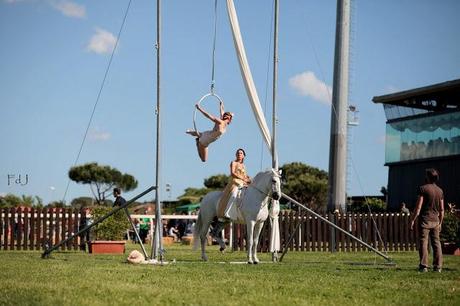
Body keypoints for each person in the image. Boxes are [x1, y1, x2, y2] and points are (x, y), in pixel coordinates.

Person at [410, 168, 444, 273]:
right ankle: (438, 267)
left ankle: (424, 266)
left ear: (428, 177)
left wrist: (412, 219)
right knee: (436, 243)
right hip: (435, 221)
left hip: (425, 220)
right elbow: (442, 209)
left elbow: (418, 207)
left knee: (423, 242)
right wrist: (440, 222)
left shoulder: (423, 189)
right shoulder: (440, 190)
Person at [212, 148, 251, 237]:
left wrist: (248, 178)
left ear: (244, 155)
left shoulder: (244, 166)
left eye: (241, 153)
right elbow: (233, 173)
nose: (239, 154)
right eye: (238, 153)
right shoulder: (233, 163)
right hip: (234, 182)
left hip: (243, 182)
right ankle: (228, 213)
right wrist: (243, 178)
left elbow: (245, 175)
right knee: (234, 194)